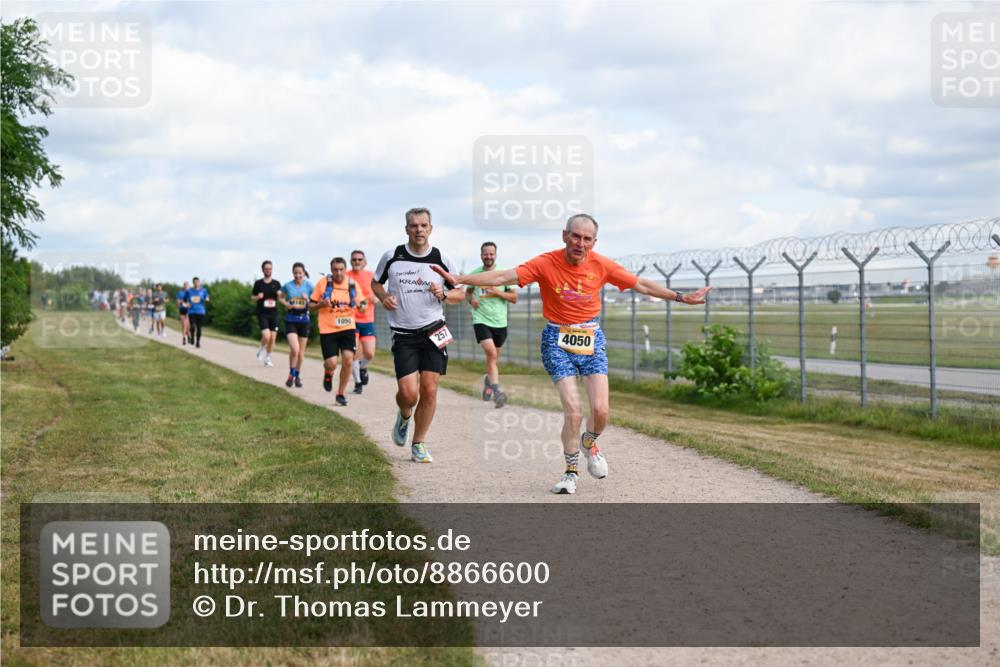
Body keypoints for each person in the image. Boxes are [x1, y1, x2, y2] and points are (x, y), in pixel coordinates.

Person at [432, 213, 711, 494]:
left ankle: (589, 442)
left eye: (586, 238)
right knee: (574, 412)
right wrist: (460, 278)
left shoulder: (601, 264)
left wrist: (680, 297)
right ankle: (570, 473)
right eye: (575, 236)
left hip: (591, 338)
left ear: (594, 242)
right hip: (557, 339)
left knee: (601, 412)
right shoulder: (545, 263)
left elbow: (641, 284)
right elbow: (505, 276)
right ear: (564, 236)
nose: (580, 243)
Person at [371, 207, 463, 463]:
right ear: (407, 229)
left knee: (430, 390)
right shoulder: (392, 256)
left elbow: (460, 293)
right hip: (403, 334)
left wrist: (444, 294)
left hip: (434, 330)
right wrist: (383, 297)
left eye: (424, 225)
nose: (419, 230)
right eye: (414, 226)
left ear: (431, 228)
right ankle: (404, 415)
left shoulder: (442, 259)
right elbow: (375, 283)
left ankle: (419, 443)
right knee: (409, 394)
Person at [467, 241, 517, 408]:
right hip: (480, 319)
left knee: (494, 359)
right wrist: (471, 299)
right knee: (491, 354)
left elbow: (514, 298)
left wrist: (497, 291)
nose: (488, 257)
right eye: (485, 254)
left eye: (491, 254)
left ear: (495, 255)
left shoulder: (503, 274)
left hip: (500, 322)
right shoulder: (475, 274)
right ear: (481, 255)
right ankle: (497, 392)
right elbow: (468, 293)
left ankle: (488, 383)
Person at [312, 257, 367, 406]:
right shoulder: (323, 284)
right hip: (327, 329)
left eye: (341, 269)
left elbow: (363, 302)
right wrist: (321, 304)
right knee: (331, 363)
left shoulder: (351, 284)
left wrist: (362, 306)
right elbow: (310, 305)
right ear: (331, 270)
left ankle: (340, 393)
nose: (338, 272)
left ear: (345, 268)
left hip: (347, 327)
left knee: (348, 359)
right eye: (335, 269)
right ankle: (328, 373)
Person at [346, 249, 379, 395]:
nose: (357, 262)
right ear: (350, 261)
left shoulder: (371, 276)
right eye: (354, 259)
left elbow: (379, 296)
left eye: (360, 259)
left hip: (368, 320)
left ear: (364, 262)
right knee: (354, 353)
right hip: (351, 320)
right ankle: (358, 383)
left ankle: (362, 367)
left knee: (369, 353)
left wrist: (374, 299)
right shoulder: (346, 276)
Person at [279, 262, 314, 388]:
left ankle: (296, 376)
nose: (297, 275)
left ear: (304, 273)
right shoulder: (288, 286)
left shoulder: (309, 286)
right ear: (292, 273)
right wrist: (286, 304)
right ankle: (291, 374)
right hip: (291, 320)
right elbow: (280, 297)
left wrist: (308, 300)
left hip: (304, 321)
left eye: (300, 273)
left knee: (301, 353)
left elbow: (315, 303)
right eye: (295, 273)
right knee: (295, 349)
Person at [251, 260, 281, 367]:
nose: (268, 270)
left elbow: (281, 297)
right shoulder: (258, 283)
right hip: (262, 313)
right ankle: (261, 348)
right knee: (267, 336)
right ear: (263, 270)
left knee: (273, 337)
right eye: (266, 269)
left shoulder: (276, 283)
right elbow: (252, 297)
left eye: (270, 268)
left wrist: (280, 295)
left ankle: (268, 358)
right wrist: (257, 297)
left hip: (274, 313)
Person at [186, 277, 210, 348]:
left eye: (197, 282)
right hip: (191, 311)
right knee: (193, 326)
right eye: (195, 282)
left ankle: (198, 342)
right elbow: (186, 300)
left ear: (199, 283)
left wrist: (207, 299)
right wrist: (187, 304)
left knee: (199, 328)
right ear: (193, 283)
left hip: (201, 311)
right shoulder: (189, 291)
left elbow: (207, 298)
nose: (196, 283)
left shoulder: (204, 290)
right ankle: (192, 337)